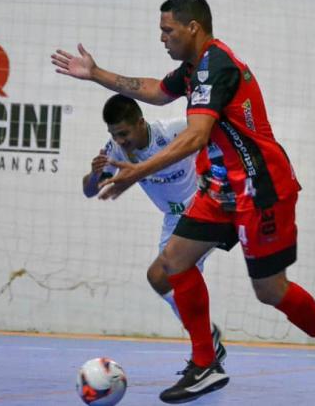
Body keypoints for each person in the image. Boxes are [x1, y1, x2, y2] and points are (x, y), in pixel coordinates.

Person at [53, 0, 315, 404]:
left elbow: (196, 135)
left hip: (260, 187)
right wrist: (96, 74)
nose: (162, 38)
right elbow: (154, 91)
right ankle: (206, 362)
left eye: (168, 30)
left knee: (270, 290)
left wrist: (138, 172)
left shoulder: (215, 66)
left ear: (192, 27)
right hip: (221, 187)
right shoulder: (191, 69)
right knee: (173, 262)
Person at [82, 93, 226, 363]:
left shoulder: (173, 131)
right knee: (159, 279)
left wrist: (217, 176)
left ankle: (204, 353)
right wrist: (93, 175)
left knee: (167, 274)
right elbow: (90, 190)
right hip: (173, 220)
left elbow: (212, 134)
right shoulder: (115, 150)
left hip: (201, 208)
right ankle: (206, 340)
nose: (120, 141)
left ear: (140, 122)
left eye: (123, 133)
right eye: (114, 135)